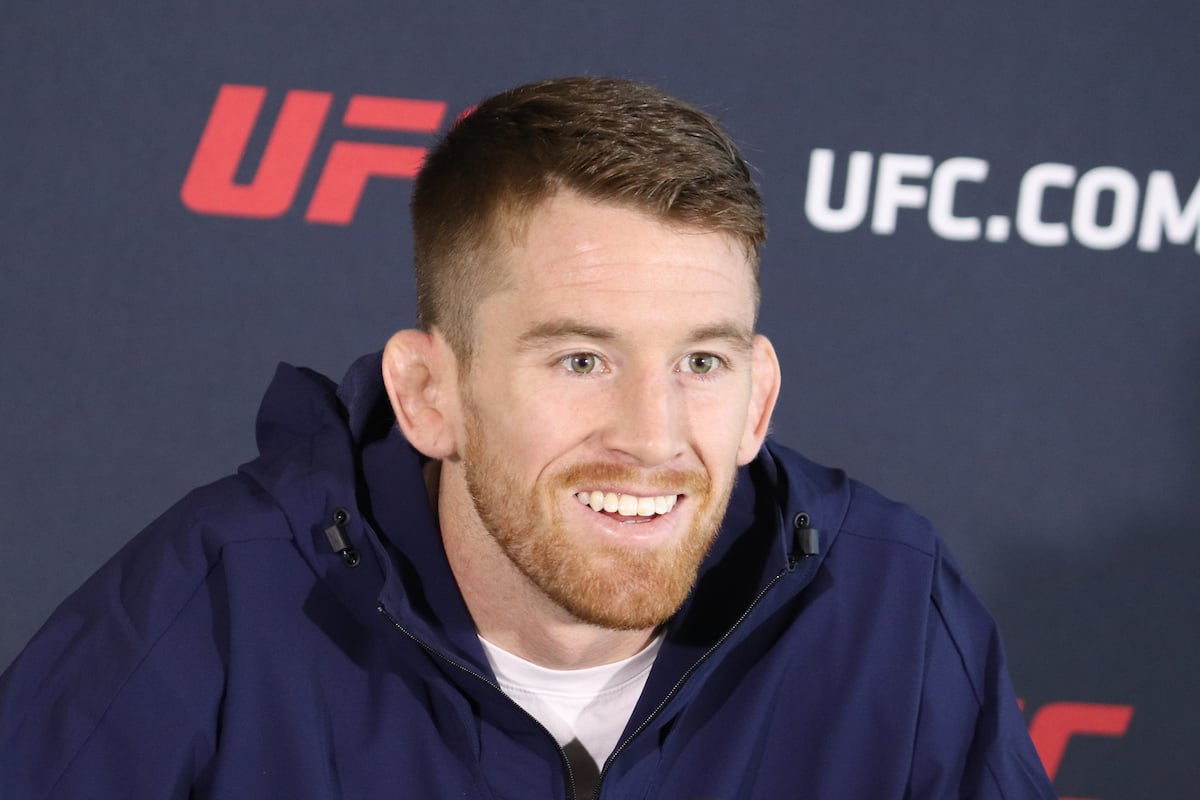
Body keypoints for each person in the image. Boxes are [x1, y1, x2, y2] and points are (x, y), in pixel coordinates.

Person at [0, 76, 1055, 799]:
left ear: (759, 398)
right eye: (580, 359)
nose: (653, 437)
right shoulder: (213, 606)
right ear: (427, 391)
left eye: (702, 362)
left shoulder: (893, 609)